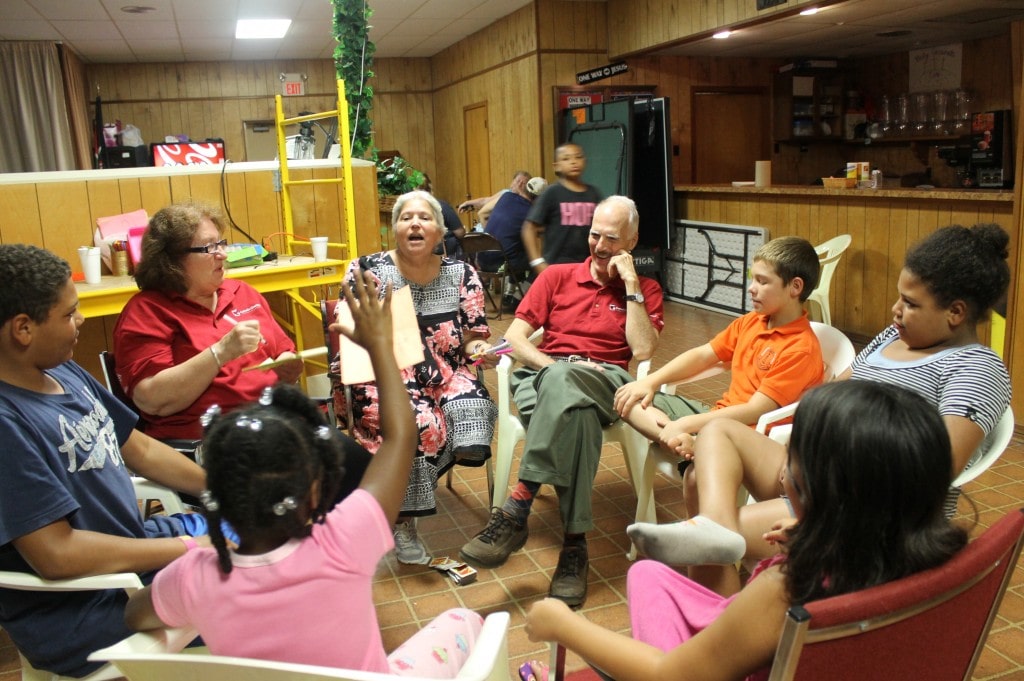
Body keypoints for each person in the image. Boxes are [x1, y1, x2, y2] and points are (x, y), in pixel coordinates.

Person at [125, 273, 486, 677]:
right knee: (464, 621)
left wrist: (193, 555)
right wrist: (380, 348)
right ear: (316, 492)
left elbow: (135, 615)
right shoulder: (343, 541)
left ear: (215, 493)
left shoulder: (194, 576)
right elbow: (401, 438)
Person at [628, 223, 1012, 596]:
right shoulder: (891, 336)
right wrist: (805, 442)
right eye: (899, 297)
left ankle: (713, 576)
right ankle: (712, 538)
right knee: (718, 432)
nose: (895, 310)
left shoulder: (976, 369)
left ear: (955, 312)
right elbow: (835, 392)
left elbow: (933, 473)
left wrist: (825, 522)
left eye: (910, 304)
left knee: (725, 535)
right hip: (813, 475)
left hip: (863, 509)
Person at [524, 380, 970, 681]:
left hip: (706, 668)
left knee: (644, 607)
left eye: (793, 455)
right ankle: (712, 543)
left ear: (818, 489)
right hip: (792, 638)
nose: (783, 468)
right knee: (648, 573)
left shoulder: (783, 590)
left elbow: (669, 676)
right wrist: (818, 533)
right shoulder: (925, 553)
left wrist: (563, 625)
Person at [0, 244, 209, 678]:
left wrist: (221, 488)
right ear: (23, 328)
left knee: (274, 542)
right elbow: (57, 555)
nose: (80, 321)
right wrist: (191, 548)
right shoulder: (7, 424)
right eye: (69, 313)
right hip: (84, 607)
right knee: (266, 591)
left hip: (135, 554)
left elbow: (139, 448)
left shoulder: (60, 369)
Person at [459, 196, 663, 608]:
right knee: (577, 415)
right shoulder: (556, 276)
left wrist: (631, 287)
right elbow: (514, 338)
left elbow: (642, 350)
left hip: (606, 383)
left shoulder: (647, 289)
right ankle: (574, 545)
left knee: (572, 391)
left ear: (632, 241)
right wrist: (554, 368)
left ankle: (518, 505)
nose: (600, 246)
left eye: (612, 239)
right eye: (595, 235)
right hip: (542, 378)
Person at [335, 190, 499, 565]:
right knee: (420, 424)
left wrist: (481, 351)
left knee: (474, 409)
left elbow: (473, 337)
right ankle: (402, 518)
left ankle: (410, 486)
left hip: (446, 369)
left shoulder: (462, 273)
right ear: (393, 229)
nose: (414, 224)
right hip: (385, 374)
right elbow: (353, 333)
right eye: (405, 218)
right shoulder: (367, 270)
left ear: (440, 231)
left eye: (424, 218)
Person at [614, 236, 824, 461]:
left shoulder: (800, 349)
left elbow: (755, 411)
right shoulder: (751, 322)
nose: (751, 288)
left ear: (795, 287)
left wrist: (686, 423)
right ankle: (686, 443)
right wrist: (650, 382)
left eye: (762, 282)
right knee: (629, 400)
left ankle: (693, 444)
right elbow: (703, 355)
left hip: (747, 435)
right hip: (717, 416)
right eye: (752, 278)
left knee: (694, 470)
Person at [113, 200, 303, 441]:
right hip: (214, 441)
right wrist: (220, 352)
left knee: (344, 453)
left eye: (221, 243)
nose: (223, 254)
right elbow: (152, 400)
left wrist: (289, 368)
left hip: (273, 424)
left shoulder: (241, 292)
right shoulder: (147, 312)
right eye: (209, 247)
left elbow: (284, 354)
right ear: (171, 260)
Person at [522, 143, 604, 275]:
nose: (573, 162)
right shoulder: (552, 193)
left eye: (578, 157)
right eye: (566, 158)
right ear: (556, 166)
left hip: (586, 267)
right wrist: (537, 262)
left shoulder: (594, 194)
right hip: (556, 267)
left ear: (585, 161)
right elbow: (529, 228)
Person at [458, 170, 531, 228]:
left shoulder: (525, 202)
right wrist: (468, 203)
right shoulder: (505, 193)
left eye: (523, 183)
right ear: (512, 182)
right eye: (517, 181)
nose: (519, 184)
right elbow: (485, 201)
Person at [418, 173, 465, 259]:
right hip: (443, 254)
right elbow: (460, 233)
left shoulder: (409, 209)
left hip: (419, 254)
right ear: (430, 186)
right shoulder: (441, 206)